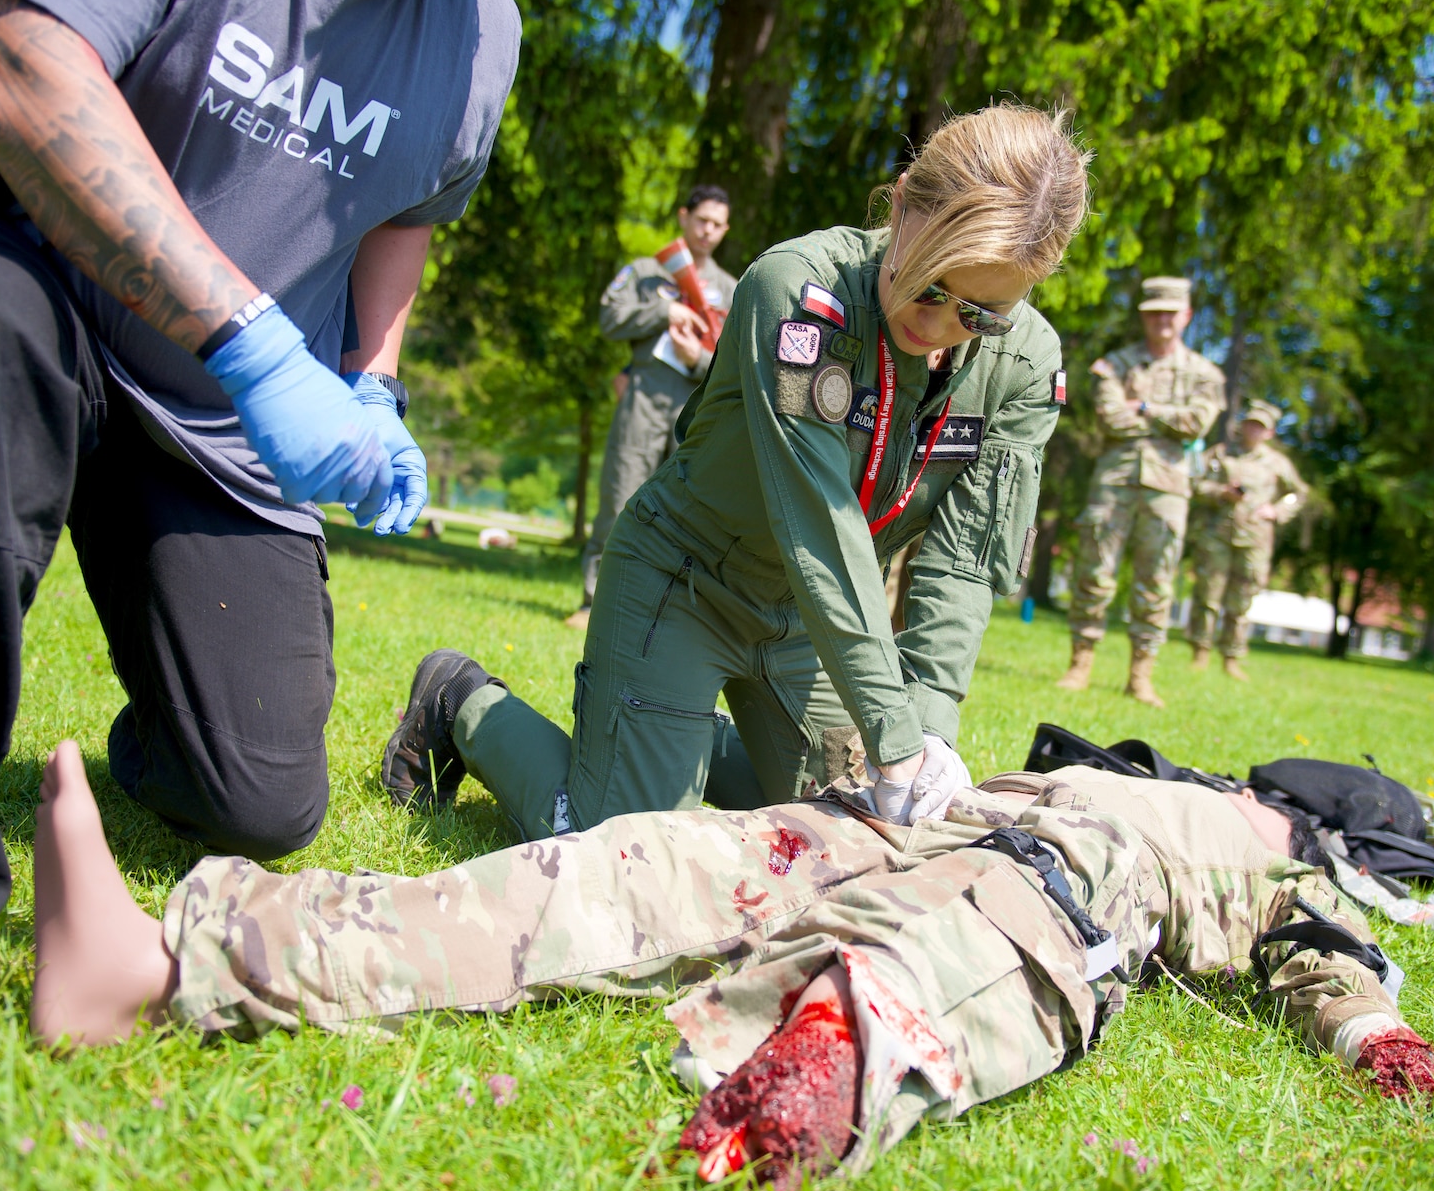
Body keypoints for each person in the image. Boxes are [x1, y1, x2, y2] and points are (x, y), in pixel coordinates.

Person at [0, 0, 530, 1098]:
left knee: (258, 797)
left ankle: (128, 740)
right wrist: (255, 346)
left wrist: (370, 383)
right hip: (22, 288)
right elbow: (15, 62)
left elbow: (406, 214)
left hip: (212, 426)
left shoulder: (485, 29)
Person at [28, 737, 1434, 1191]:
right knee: (609, 876)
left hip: (1046, 892)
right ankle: (168, 959)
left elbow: (1325, 952)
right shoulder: (1107, 769)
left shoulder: (1278, 859)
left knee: (971, 941)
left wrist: (1370, 1029)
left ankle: (826, 1058)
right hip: (877, 828)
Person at [383, 106, 1088, 838]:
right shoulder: (797, 293)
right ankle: (462, 700)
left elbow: (963, 561)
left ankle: (673, 734)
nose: (939, 327)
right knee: (619, 859)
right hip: (686, 583)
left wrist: (931, 722)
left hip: (815, 629)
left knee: (849, 838)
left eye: (979, 313)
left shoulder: (1026, 365)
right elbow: (818, 522)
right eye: (931, 285)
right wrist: (893, 733)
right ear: (904, 200)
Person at [568, 187, 738, 629]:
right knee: (619, 495)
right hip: (642, 397)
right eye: (701, 220)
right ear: (684, 217)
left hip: (696, 407)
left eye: (717, 224)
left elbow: (734, 361)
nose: (708, 231)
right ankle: (593, 604)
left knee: (685, 510)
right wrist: (664, 313)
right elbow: (610, 318)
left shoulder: (730, 288)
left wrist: (694, 359)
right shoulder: (646, 272)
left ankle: (662, 615)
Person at [1059, 277, 1225, 706]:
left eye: (1171, 312)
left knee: (1158, 579)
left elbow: (1198, 423)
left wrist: (1146, 407)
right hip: (1115, 481)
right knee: (1094, 570)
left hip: (1169, 486)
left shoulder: (1206, 374)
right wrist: (1167, 418)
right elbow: (1112, 419)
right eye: (1154, 313)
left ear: (1186, 316)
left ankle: (1140, 675)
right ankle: (1080, 662)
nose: (1162, 321)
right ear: (1143, 316)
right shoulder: (1114, 365)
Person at [1186, 400, 1307, 680]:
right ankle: (1200, 653)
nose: (1253, 430)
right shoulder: (1221, 453)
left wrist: (1277, 510)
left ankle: (1231, 657)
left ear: (1269, 433)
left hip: (1254, 538)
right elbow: (1193, 482)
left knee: (1242, 600)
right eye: (1250, 424)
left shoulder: (1278, 463)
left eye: (1260, 427)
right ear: (1243, 426)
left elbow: (1298, 493)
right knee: (1208, 594)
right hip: (1216, 534)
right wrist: (1220, 492)